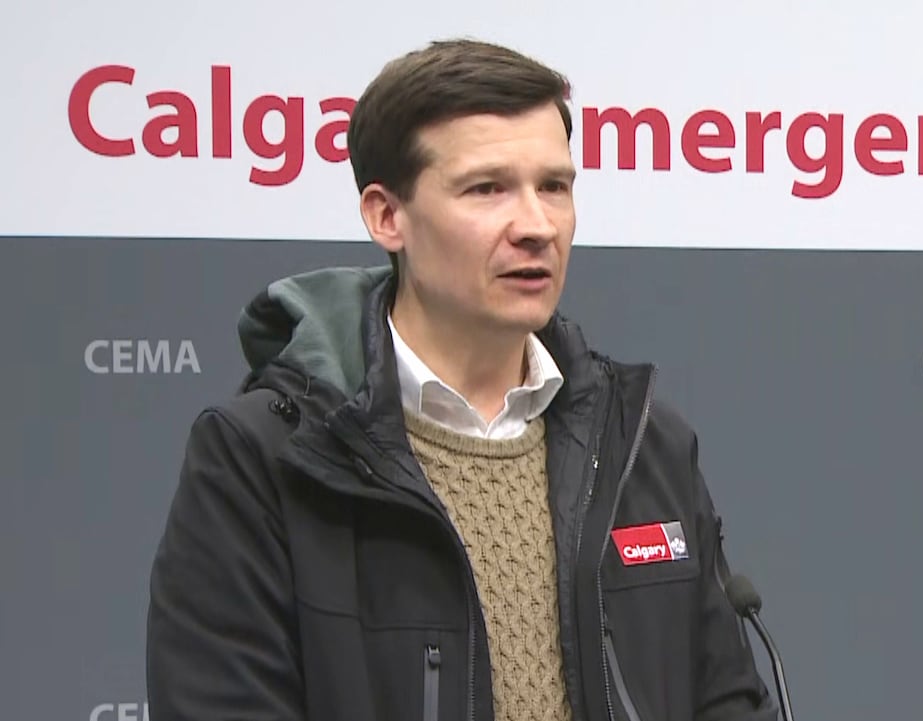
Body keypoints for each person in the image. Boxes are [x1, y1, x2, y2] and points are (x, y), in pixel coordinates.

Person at [145, 38, 779, 721]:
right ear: (387, 216)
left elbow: (728, 701)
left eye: (554, 187)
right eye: (487, 188)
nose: (536, 225)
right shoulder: (261, 459)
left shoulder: (641, 441)